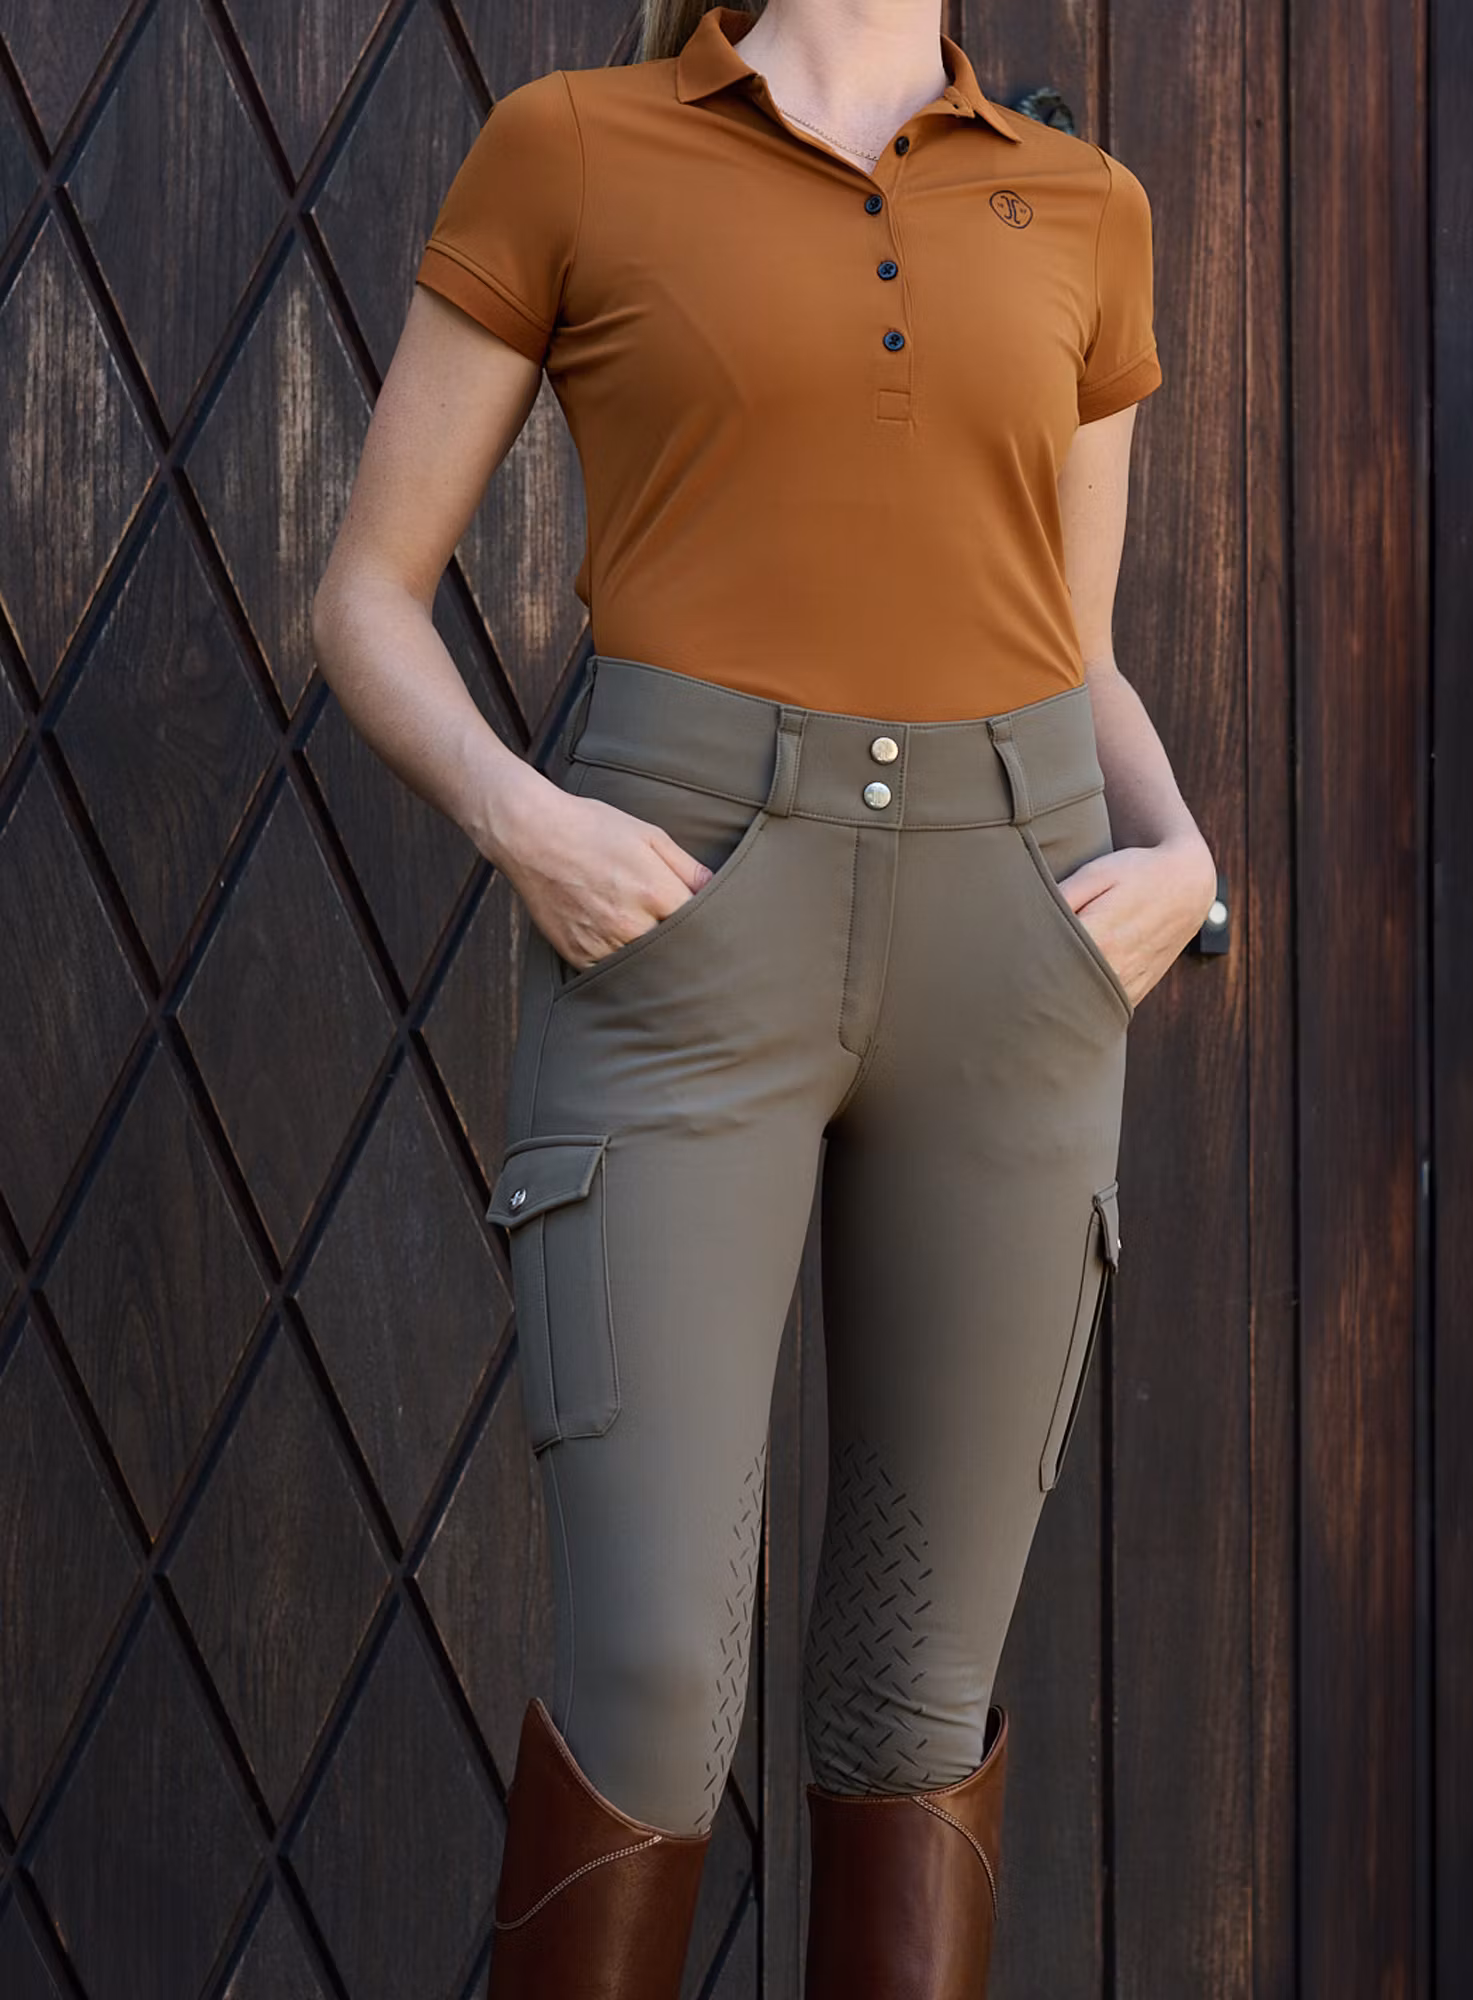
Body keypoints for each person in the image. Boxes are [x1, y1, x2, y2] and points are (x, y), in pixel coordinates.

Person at [311, 3, 1217, 1993]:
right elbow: (366, 593)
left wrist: (1187, 857)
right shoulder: (574, 146)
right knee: (653, 1675)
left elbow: (1075, 650)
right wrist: (525, 820)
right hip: (681, 939)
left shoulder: (1088, 205)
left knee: (916, 1692)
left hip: (1016, 952)